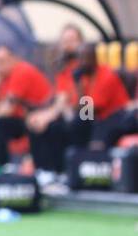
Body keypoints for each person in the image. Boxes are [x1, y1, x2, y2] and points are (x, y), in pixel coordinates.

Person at [28, 28, 130, 178]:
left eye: (85, 59)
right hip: (88, 118)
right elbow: (67, 102)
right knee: (54, 126)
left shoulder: (105, 75)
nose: (81, 63)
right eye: (80, 59)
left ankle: (69, 171)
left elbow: (88, 110)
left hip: (111, 120)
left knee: (76, 124)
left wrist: (77, 87)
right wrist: (48, 115)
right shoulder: (76, 74)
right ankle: (47, 172)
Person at [0, 47, 53, 171]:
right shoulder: (2, 77)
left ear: (12, 59)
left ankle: (43, 170)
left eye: (2, 61)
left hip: (42, 116)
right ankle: (0, 167)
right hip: (22, 119)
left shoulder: (21, 70)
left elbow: (8, 108)